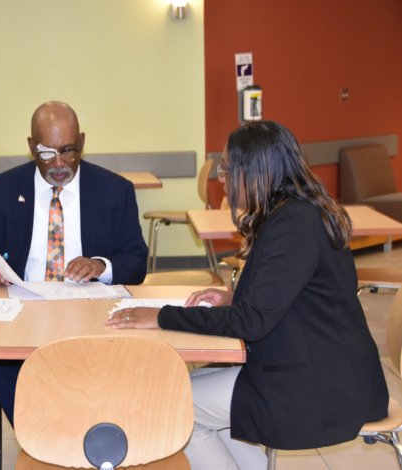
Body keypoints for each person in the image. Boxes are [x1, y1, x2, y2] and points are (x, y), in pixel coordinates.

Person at [106, 121, 389, 470]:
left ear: (255, 171)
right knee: (179, 385)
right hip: (311, 365)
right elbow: (283, 296)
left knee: (171, 404)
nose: (221, 178)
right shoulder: (292, 213)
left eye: (227, 169)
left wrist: (161, 316)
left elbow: (252, 322)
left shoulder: (293, 225)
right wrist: (233, 298)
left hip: (317, 386)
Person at [0, 101, 148, 425]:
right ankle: (45, 431)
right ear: (30, 147)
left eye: (68, 150)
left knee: (111, 365)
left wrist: (102, 266)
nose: (60, 162)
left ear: (82, 141)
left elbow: (136, 261)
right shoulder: (0, 191)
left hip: (90, 315)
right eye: (47, 153)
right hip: (21, 313)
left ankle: (66, 430)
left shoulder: (114, 191)